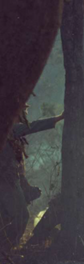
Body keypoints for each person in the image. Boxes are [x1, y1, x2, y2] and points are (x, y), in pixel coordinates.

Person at [0, 104, 63, 252]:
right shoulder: (9, 128)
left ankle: (7, 250)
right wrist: (58, 118)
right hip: (5, 183)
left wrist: (26, 187)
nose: (26, 115)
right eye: (23, 112)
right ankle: (7, 250)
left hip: (10, 182)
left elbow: (18, 168)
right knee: (20, 217)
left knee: (13, 218)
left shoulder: (12, 133)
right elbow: (32, 127)